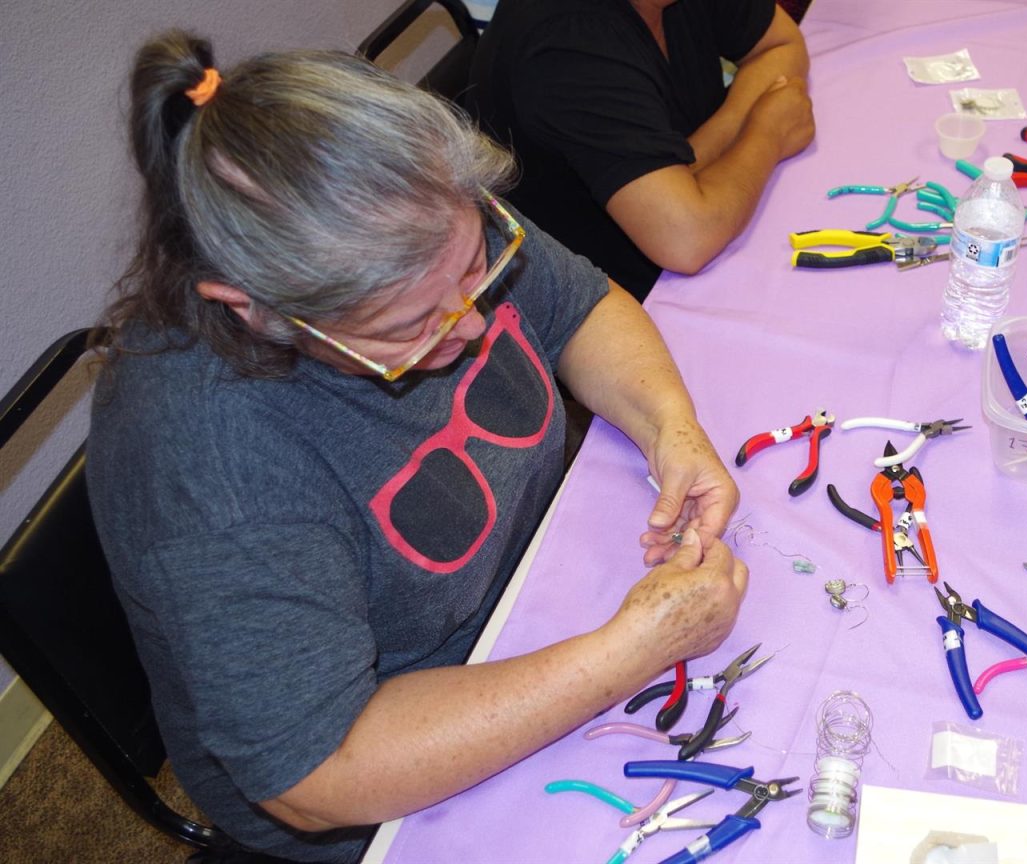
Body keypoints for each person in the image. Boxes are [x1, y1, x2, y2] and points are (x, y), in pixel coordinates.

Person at [88, 31, 748, 863]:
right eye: (411, 327)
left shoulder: (421, 216)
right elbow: (318, 774)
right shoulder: (207, 463)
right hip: (387, 786)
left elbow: (578, 306)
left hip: (538, 601)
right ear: (253, 308)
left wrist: (670, 432)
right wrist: (630, 650)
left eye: (476, 268)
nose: (474, 324)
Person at [466, 0, 815, 300]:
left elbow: (779, 45)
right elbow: (687, 240)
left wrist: (699, 153)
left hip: (691, 221)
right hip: (612, 295)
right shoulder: (568, 41)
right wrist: (767, 133)